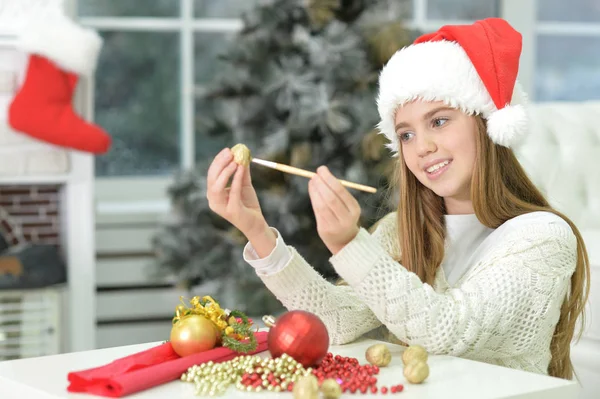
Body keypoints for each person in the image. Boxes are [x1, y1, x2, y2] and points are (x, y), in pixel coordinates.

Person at [206, 18, 590, 380]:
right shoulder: (400, 231)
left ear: (487, 122)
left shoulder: (543, 237)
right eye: (406, 134)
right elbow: (336, 322)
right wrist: (256, 230)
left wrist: (348, 244)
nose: (422, 147)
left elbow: (450, 332)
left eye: (438, 121)